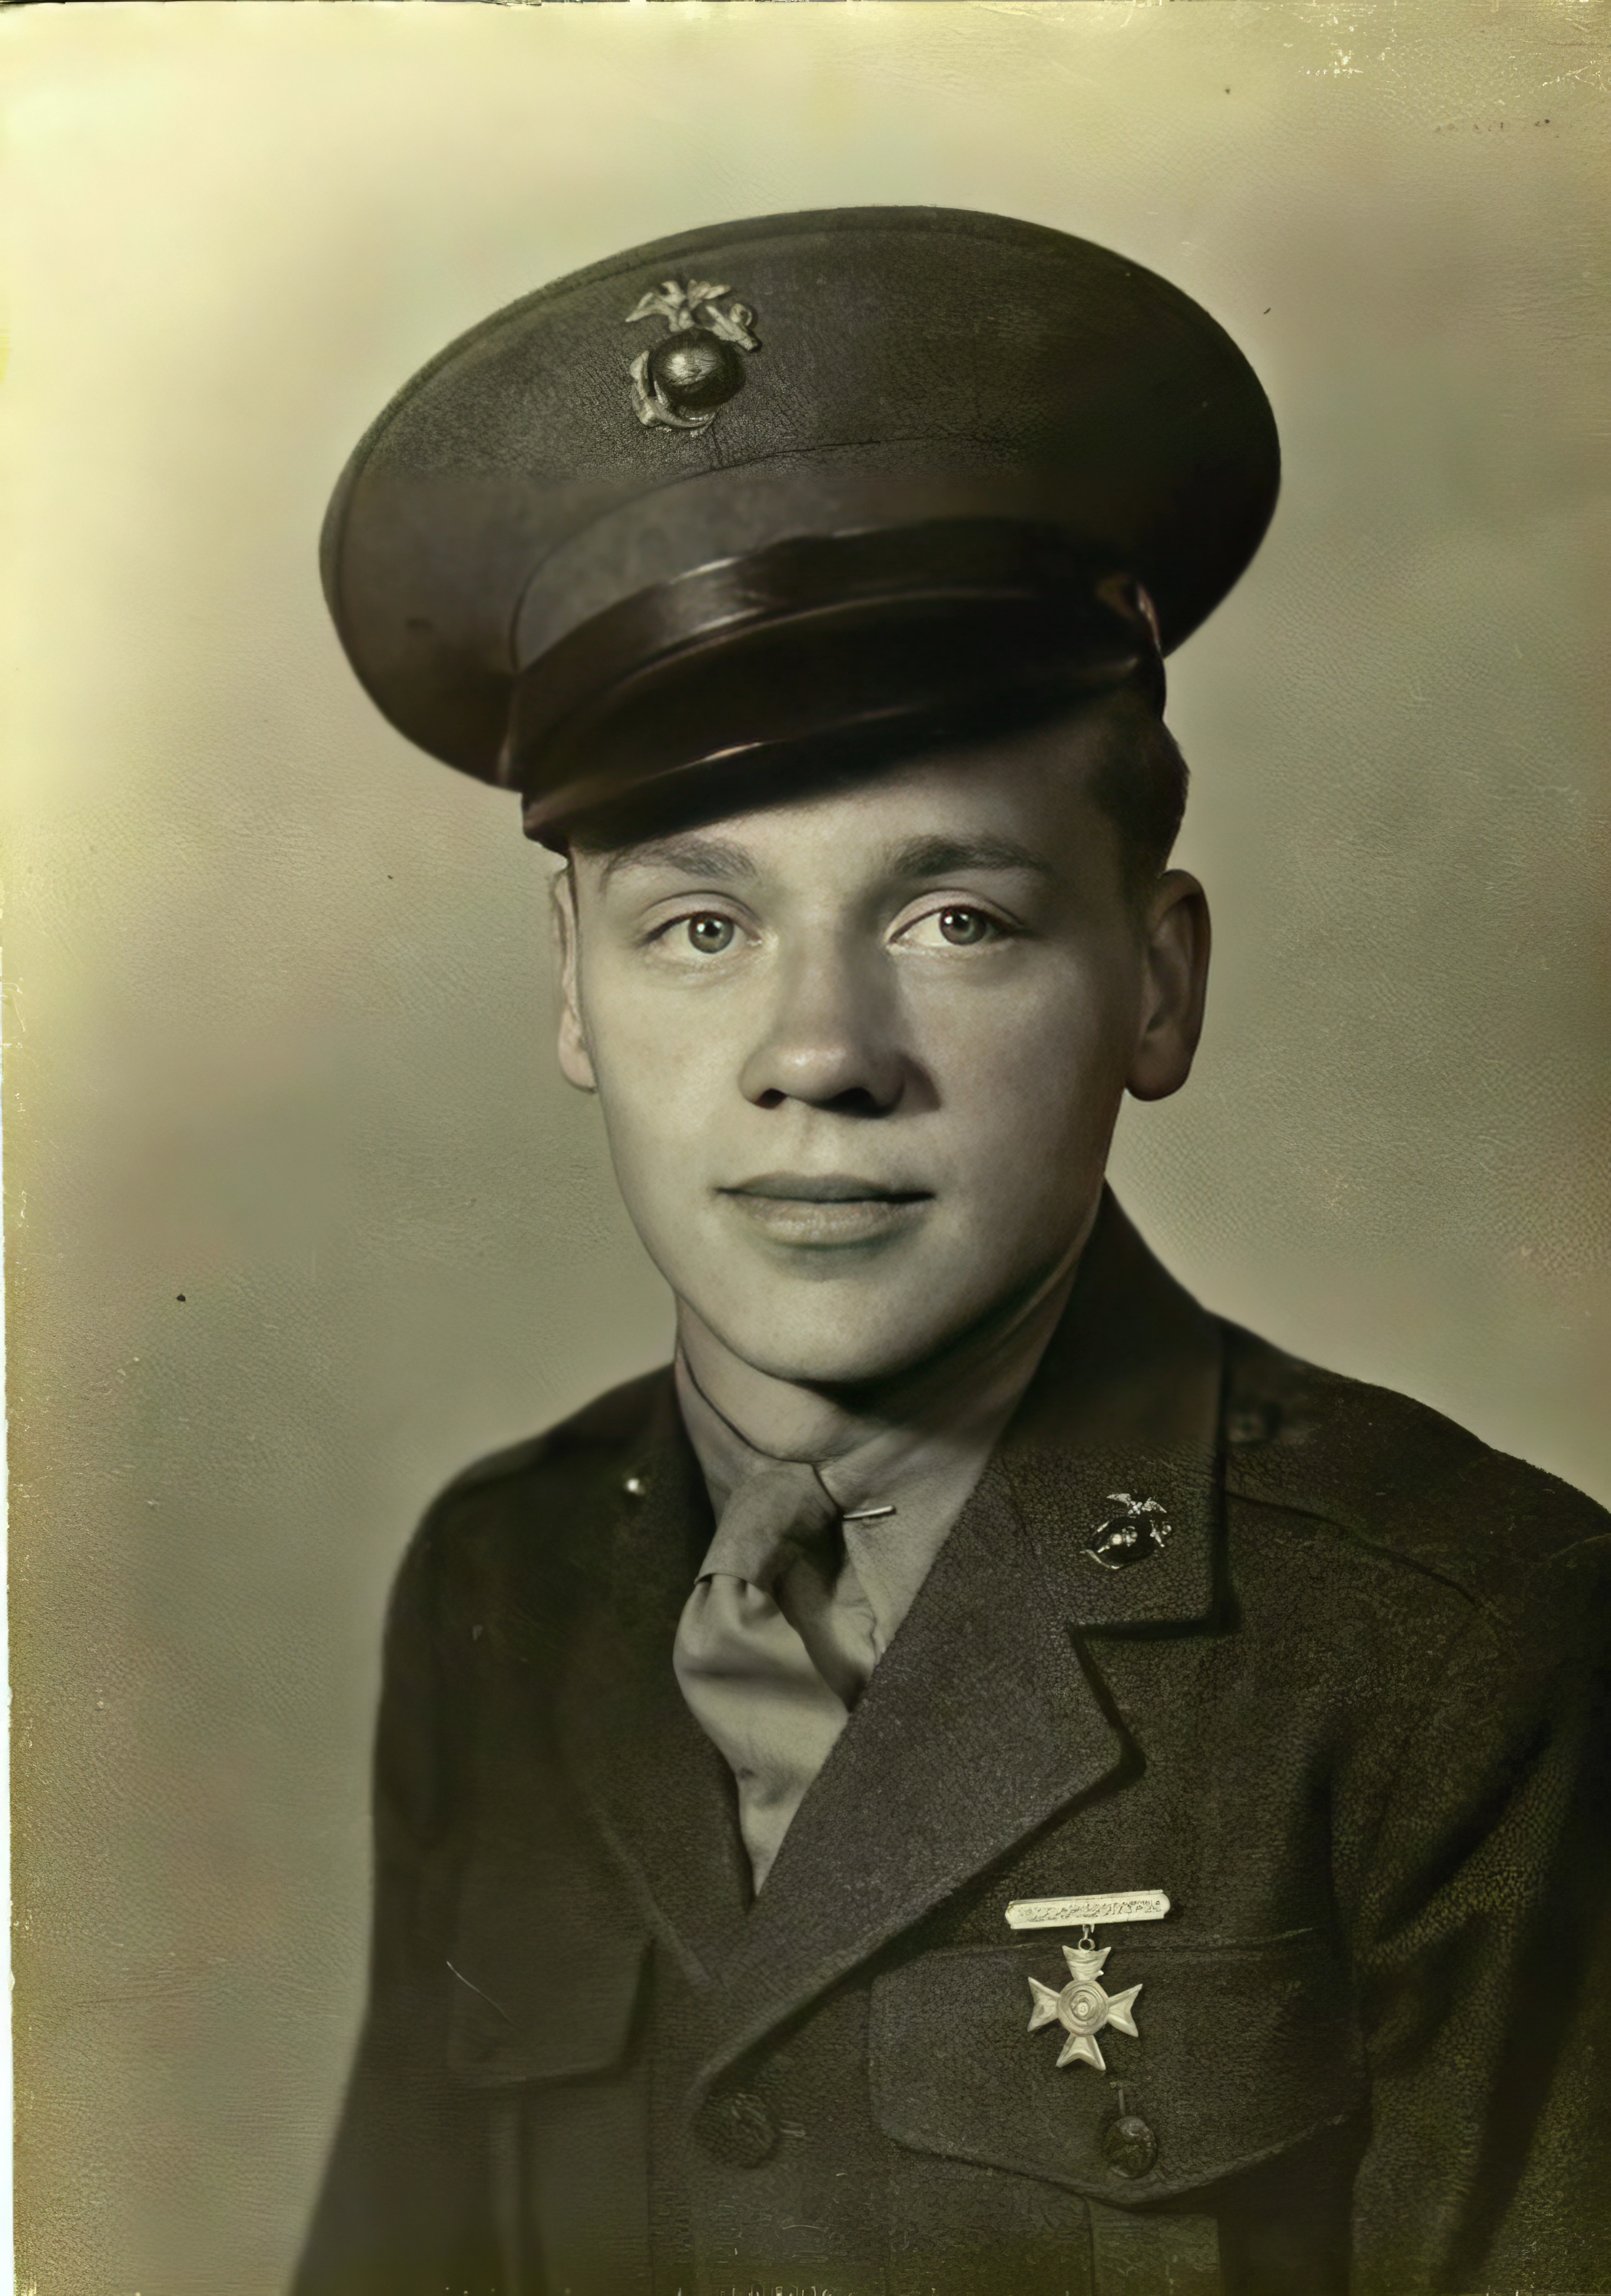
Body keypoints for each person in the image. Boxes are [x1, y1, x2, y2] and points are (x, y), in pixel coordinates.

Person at [294, 207, 1610, 2296]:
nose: (818, 1054)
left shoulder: (1467, 1653)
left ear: (1154, 987)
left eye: (957, 919)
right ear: (572, 987)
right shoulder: (501, 1582)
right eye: (699, 926)